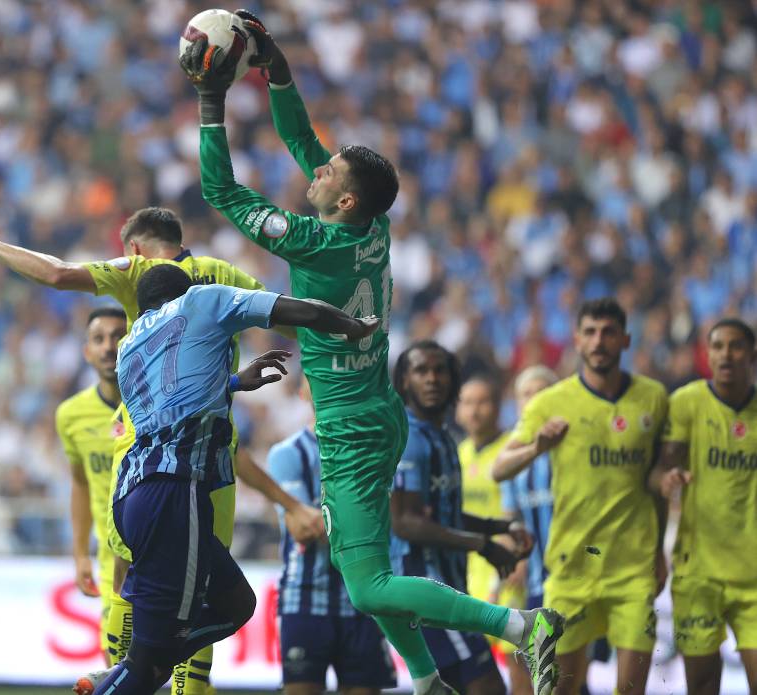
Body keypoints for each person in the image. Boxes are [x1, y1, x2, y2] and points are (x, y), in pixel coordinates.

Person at [181, 13, 563, 695]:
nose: (317, 168)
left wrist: (213, 100)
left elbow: (221, 192)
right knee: (372, 567)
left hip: (355, 429)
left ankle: (520, 626)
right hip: (378, 408)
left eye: (328, 172)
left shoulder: (314, 241)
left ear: (345, 197)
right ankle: (424, 678)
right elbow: (303, 139)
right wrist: (276, 67)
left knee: (368, 584)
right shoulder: (371, 224)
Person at [0, 207, 323, 692]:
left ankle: (128, 667)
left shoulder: (139, 272)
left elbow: (58, 273)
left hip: (147, 456)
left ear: (134, 248)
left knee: (135, 588)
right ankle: (139, 667)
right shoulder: (223, 276)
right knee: (206, 597)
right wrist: (342, 330)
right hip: (210, 453)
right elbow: (290, 321)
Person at [88, 263, 382, 695]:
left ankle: (130, 670)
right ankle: (133, 671)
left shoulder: (131, 345)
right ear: (185, 291)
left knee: (237, 604)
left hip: (136, 494)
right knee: (148, 668)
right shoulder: (201, 300)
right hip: (174, 488)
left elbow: (171, 399)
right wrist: (351, 326)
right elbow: (293, 309)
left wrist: (232, 383)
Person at [498, 298, 668, 695]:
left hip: (633, 569)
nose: (599, 341)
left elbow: (656, 479)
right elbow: (500, 469)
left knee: (630, 690)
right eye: (590, 332)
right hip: (571, 568)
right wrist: (536, 447)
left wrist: (660, 550)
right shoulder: (551, 403)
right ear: (576, 340)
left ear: (626, 339)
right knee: (557, 690)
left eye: (609, 332)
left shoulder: (655, 398)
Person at [390, 342, 532, 695]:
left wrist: (499, 527)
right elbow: (405, 522)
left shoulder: (443, 439)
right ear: (404, 381)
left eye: (440, 371)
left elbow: (446, 514)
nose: (432, 379)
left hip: (451, 590)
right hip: (426, 593)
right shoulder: (409, 439)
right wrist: (483, 545)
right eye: (421, 371)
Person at [648, 318, 757, 695]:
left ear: (752, 353)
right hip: (699, 571)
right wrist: (667, 478)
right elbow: (661, 469)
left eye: (736, 346)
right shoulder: (687, 402)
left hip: (754, 574)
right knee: (702, 685)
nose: (726, 354)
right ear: (707, 353)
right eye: (718, 346)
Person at [267, 379, 396, 695]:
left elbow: (388, 522)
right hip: (307, 598)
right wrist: (360, 523)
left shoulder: (372, 450)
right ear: (302, 392)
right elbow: (302, 529)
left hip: (363, 602)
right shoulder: (288, 453)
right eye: (314, 377)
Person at [56, 306, 128, 661]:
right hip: (110, 559)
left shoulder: (157, 406)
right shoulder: (71, 415)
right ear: (86, 352)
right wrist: (80, 552)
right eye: (98, 339)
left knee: (187, 675)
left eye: (118, 337)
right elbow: (80, 484)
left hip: (163, 558)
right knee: (117, 668)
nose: (108, 347)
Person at [491, 365, 559, 695]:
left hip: (574, 578)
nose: (533, 401)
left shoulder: (570, 450)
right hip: (533, 581)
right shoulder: (511, 457)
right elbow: (511, 517)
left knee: (569, 674)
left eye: (541, 392)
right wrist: (512, 559)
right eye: (526, 394)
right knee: (542, 677)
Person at [455, 377, 512, 608]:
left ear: (498, 407)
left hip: (505, 565)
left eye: (482, 402)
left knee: (508, 643)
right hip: (467, 568)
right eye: (467, 403)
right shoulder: (458, 453)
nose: (474, 411)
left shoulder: (511, 450)